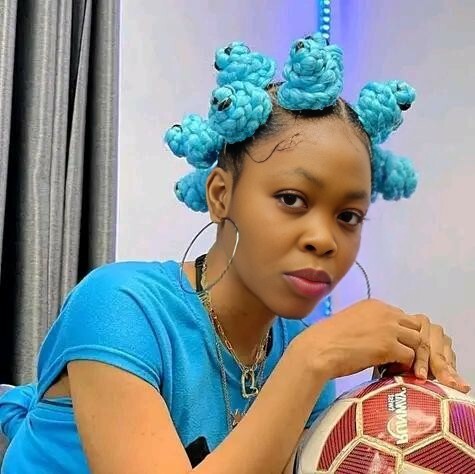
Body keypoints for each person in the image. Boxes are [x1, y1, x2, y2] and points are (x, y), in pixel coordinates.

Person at [0, 33, 470, 474]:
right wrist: (313, 358)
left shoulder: (295, 353)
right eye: (292, 199)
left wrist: (394, 404)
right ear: (220, 195)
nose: (324, 239)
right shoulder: (120, 306)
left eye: (349, 216)